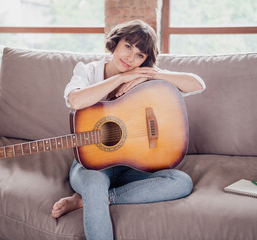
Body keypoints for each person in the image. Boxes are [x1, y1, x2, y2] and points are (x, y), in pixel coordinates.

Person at [51, 20, 206, 240]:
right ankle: (94, 194)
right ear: (116, 42)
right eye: (128, 46)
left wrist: (153, 75)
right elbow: (76, 100)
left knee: (182, 182)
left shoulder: (142, 77)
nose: (130, 57)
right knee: (94, 184)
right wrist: (121, 77)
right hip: (91, 165)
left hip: (132, 165)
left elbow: (198, 84)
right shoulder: (87, 70)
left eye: (140, 55)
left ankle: (87, 200)